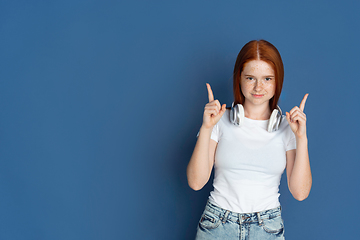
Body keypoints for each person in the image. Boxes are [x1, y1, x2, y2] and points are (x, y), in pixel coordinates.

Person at [187, 39, 312, 240]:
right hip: (218, 225)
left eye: (267, 79)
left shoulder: (288, 128)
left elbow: (300, 193)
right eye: (251, 78)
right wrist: (206, 128)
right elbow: (195, 182)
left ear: (277, 81)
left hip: (266, 228)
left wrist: (302, 138)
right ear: (239, 79)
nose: (258, 87)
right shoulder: (219, 121)